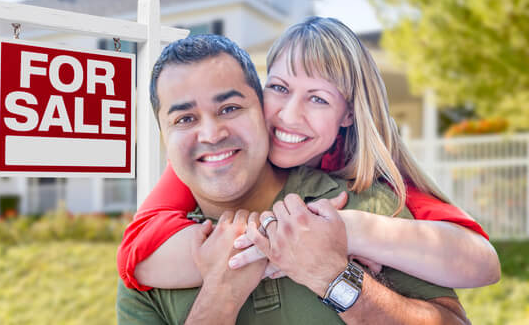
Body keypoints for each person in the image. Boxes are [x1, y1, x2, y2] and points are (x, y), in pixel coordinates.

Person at [117, 18, 500, 292]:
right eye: (280, 88)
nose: (288, 114)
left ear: (349, 113)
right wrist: (284, 245)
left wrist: (348, 230)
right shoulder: (227, 154)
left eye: (317, 98)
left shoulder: (371, 178)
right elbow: (136, 250)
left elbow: (481, 262)